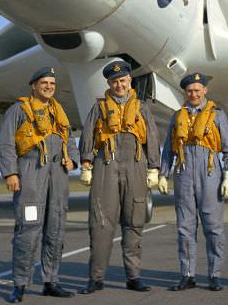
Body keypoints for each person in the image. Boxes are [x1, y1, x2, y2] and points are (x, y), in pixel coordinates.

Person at [0, 66, 79, 302]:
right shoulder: (18, 110)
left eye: (52, 83)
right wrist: (11, 173)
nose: (49, 87)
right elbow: (5, 144)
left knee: (56, 229)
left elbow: (70, 138)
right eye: (44, 83)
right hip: (31, 175)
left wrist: (72, 160)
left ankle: (51, 281)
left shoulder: (59, 111)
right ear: (33, 85)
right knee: (28, 230)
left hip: (58, 177)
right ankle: (20, 284)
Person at [78, 60, 161, 294]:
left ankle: (134, 277)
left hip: (136, 165)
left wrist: (154, 168)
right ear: (109, 83)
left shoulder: (142, 108)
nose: (119, 85)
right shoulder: (99, 107)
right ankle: (96, 279)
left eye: (122, 80)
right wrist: (86, 164)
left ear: (129, 81)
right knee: (101, 224)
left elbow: (152, 138)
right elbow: (87, 136)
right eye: (114, 81)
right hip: (106, 165)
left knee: (134, 222)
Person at [158, 73, 228, 292]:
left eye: (197, 90)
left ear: (205, 91)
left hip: (210, 173)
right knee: (185, 228)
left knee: (213, 227)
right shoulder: (177, 116)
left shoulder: (217, 115)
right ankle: (187, 274)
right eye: (190, 91)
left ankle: (215, 274)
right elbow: (168, 148)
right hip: (183, 173)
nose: (194, 94)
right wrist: (163, 174)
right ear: (185, 93)